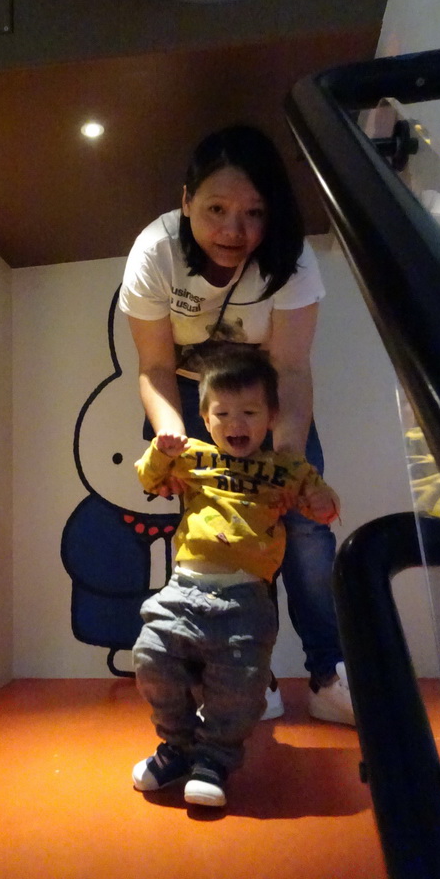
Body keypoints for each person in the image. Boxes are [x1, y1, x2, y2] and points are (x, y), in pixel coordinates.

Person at [119, 124, 354, 725]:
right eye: (216, 209)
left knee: (303, 533)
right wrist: (171, 436)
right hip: (194, 403)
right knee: (220, 540)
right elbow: (153, 366)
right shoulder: (156, 251)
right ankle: (248, 678)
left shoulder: (290, 259)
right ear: (185, 203)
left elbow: (292, 368)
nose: (234, 230)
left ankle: (331, 674)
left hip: (266, 398)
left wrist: (288, 458)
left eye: (253, 213)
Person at [132, 348, 340, 806]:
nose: (236, 423)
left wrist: (322, 501)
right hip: (182, 590)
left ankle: (215, 758)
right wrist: (160, 449)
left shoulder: (283, 468)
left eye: (249, 412)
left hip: (245, 598)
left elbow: (315, 494)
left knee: (240, 685)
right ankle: (176, 746)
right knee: (150, 657)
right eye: (222, 413)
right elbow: (148, 479)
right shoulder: (195, 458)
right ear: (205, 419)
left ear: (271, 417)